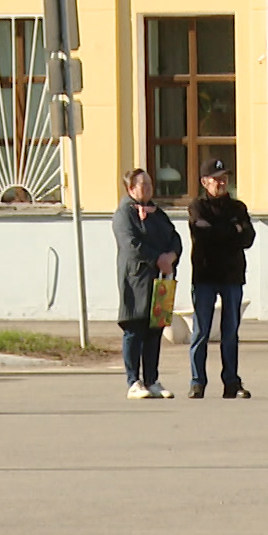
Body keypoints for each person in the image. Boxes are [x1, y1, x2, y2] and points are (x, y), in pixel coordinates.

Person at [186, 159, 256, 399]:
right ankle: (197, 382)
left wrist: (227, 231)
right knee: (201, 331)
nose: (222, 182)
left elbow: (248, 238)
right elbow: (204, 234)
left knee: (230, 331)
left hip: (232, 275)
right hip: (205, 274)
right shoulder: (197, 207)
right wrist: (231, 230)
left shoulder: (237, 207)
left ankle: (231, 382)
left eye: (225, 177)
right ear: (205, 182)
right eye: (216, 178)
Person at [113, 168, 182, 400]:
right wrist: (157, 258)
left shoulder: (157, 212)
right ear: (131, 189)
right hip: (136, 280)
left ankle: (152, 380)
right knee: (135, 328)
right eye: (143, 184)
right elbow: (131, 245)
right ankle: (134, 381)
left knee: (155, 330)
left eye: (150, 184)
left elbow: (175, 237)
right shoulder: (124, 214)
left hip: (161, 279)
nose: (149, 188)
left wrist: (171, 256)